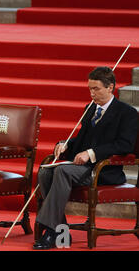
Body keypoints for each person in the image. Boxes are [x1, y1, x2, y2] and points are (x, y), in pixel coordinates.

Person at [33, 66, 138, 250]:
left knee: (62, 170)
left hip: (104, 171)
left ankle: (51, 230)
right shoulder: (90, 109)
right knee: (45, 172)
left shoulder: (127, 113)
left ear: (110, 87)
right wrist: (65, 144)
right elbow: (81, 139)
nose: (92, 93)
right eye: (89, 88)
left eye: (96, 89)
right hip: (83, 169)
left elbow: (124, 145)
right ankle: (60, 230)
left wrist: (91, 153)